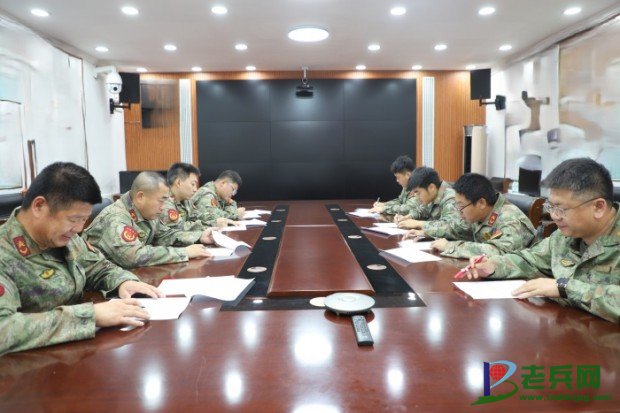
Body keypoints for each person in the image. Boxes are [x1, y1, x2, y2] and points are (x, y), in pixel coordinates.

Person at [0, 162, 162, 356]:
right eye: (73, 219)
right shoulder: (5, 253)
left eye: (84, 220)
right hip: (28, 365)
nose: (78, 229)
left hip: (77, 353)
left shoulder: (64, 237)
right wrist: (89, 316)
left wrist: (123, 282)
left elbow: (98, 267)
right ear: (39, 206)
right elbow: (3, 329)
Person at [465, 158, 619, 323]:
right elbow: (530, 260)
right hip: (570, 329)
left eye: (561, 208)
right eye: (551, 206)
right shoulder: (563, 237)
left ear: (598, 207)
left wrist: (564, 287)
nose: (554, 216)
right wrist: (493, 266)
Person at [83, 171, 213, 269]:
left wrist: (199, 236)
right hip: (98, 286)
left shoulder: (147, 212)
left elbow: (164, 235)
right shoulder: (116, 218)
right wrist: (184, 252)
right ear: (141, 197)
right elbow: (134, 256)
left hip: (126, 275)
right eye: (161, 201)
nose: (163, 208)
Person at [431, 173, 536, 259]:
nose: (459, 211)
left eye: (461, 206)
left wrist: (450, 246)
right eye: (457, 205)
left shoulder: (510, 219)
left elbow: (499, 252)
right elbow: (458, 228)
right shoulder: (479, 214)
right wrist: (426, 230)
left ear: (481, 203)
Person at [399, 167, 470, 239]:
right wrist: (409, 217)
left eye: (418, 192)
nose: (416, 197)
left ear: (431, 187)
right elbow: (423, 210)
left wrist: (418, 223)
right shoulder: (432, 195)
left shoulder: (450, 198)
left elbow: (451, 227)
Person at [159, 162, 206, 231]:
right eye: (193, 184)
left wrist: (215, 222)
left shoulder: (186, 200)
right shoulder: (164, 202)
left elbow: (199, 216)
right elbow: (180, 227)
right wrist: (209, 226)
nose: (195, 189)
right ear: (178, 182)